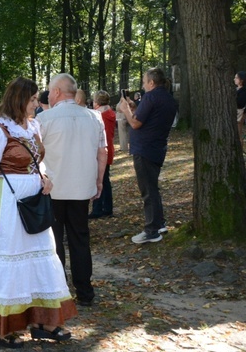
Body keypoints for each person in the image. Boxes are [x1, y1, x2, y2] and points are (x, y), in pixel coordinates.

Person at [0, 77, 77, 348]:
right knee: (13, 258)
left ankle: (43, 322)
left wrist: (45, 178)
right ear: (20, 99)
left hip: (34, 199)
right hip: (9, 202)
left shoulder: (33, 126)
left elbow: (37, 163)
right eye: (32, 99)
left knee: (43, 256)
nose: (36, 103)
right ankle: (1, 326)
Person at [36, 74, 106, 307]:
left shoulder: (44, 118)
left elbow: (36, 154)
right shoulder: (94, 117)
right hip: (81, 187)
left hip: (53, 188)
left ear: (56, 92)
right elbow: (102, 152)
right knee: (80, 238)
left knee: (54, 239)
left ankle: (60, 289)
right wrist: (98, 181)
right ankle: (85, 291)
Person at [118, 67, 178, 244]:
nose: (143, 86)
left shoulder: (151, 96)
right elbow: (148, 116)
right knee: (152, 187)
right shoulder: (167, 98)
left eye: (144, 82)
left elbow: (136, 123)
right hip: (157, 148)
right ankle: (159, 223)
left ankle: (152, 230)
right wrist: (135, 108)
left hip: (145, 149)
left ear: (152, 82)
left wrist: (125, 110)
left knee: (148, 191)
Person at [89, 90, 116, 218]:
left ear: (97, 102)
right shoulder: (110, 113)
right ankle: (107, 207)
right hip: (109, 149)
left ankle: (98, 208)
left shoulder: (99, 116)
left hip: (101, 150)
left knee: (99, 179)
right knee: (105, 180)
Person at [235, 71, 246, 142]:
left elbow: (240, 103)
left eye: (236, 78)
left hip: (241, 113)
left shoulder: (245, 90)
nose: (234, 79)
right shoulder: (237, 89)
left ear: (242, 80)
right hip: (237, 113)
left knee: (238, 133)